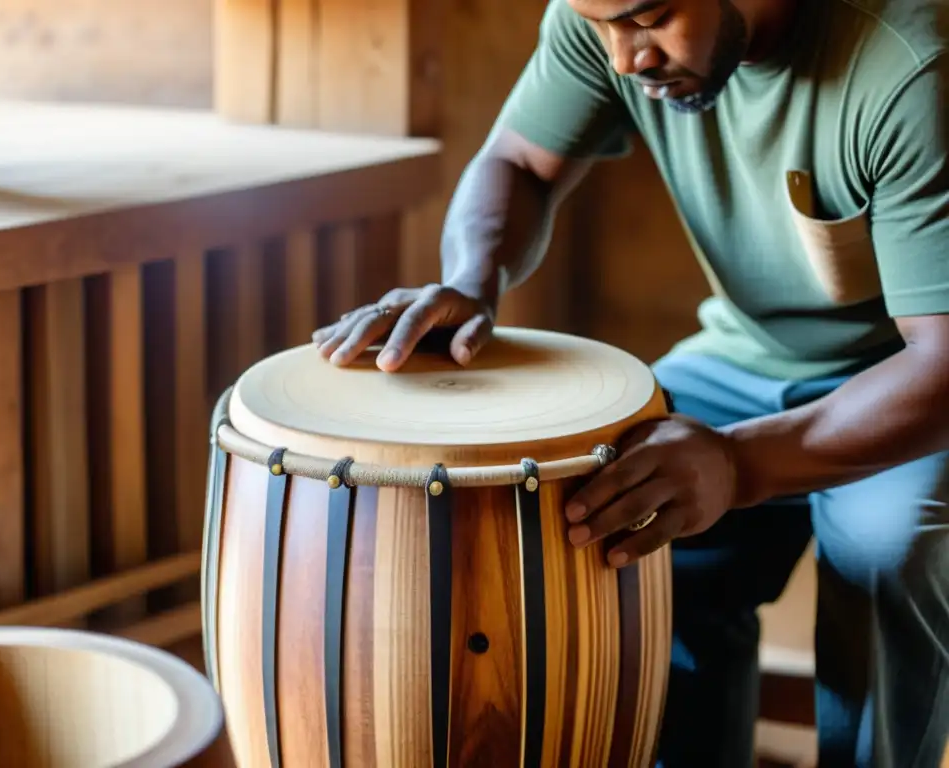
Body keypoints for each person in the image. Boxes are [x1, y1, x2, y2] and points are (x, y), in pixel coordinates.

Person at [311, 0, 949, 764]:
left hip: (906, 381)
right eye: (604, 25)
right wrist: (474, 280)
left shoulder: (910, 69)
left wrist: (738, 464)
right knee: (617, 507)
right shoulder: (604, 18)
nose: (623, 57)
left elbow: (940, 364)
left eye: (649, 17)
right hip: (743, 356)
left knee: (891, 548)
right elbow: (516, 164)